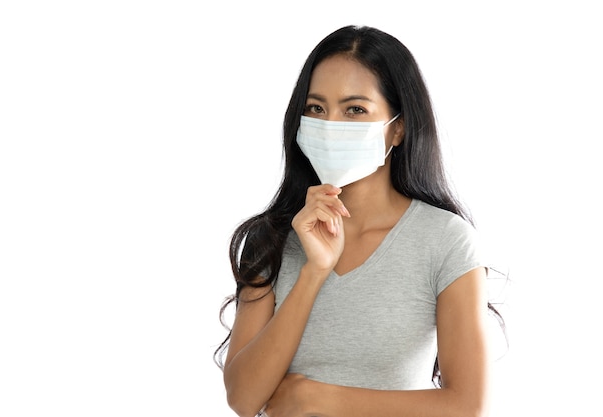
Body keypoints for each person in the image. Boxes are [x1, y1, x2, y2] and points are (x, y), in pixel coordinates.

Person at [215, 25, 505, 417]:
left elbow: (467, 405)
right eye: (316, 108)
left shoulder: (446, 241)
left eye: (355, 110)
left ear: (398, 127)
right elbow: (243, 398)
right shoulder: (273, 237)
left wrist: (319, 399)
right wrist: (314, 272)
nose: (331, 125)